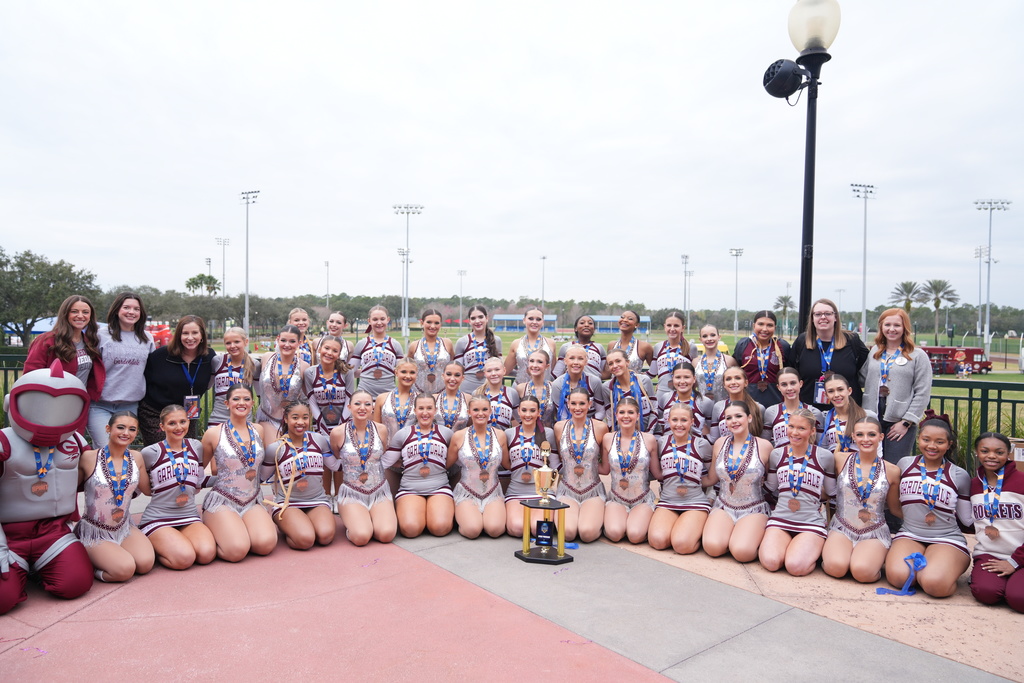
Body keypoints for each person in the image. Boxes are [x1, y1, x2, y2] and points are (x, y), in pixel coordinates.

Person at [0, 362, 94, 614]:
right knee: (2, 600)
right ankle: (23, 569)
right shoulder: (3, 442)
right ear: (11, 403)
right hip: (10, 535)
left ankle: (35, 568)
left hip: (54, 531)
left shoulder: (76, 440)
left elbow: (99, 475)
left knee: (76, 584)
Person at [884, 412, 972, 598]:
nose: (932, 446)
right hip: (909, 534)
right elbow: (896, 505)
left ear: (949, 445)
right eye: (926, 439)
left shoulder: (959, 475)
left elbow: (967, 519)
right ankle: (927, 567)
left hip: (947, 538)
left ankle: (939, 567)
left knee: (935, 585)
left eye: (940, 442)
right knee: (899, 577)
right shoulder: (905, 464)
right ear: (918, 439)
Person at [201, 384, 278, 561]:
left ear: (252, 403)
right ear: (227, 403)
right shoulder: (213, 433)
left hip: (252, 500)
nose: (241, 403)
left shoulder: (258, 430)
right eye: (236, 399)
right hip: (223, 500)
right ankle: (216, 529)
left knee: (265, 544)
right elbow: (198, 469)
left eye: (246, 399)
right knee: (236, 551)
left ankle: (237, 530)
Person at [75, 412, 155, 582]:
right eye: (120, 427)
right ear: (108, 429)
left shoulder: (137, 457)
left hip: (124, 527)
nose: (126, 432)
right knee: (124, 570)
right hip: (95, 531)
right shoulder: (89, 458)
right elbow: (69, 490)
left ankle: (110, 557)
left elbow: (148, 490)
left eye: (132, 429)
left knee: (145, 563)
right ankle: (91, 568)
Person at [822, 416, 902, 582]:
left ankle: (873, 558)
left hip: (874, 530)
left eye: (871, 435)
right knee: (836, 568)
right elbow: (827, 489)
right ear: (853, 436)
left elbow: (895, 508)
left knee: (862, 572)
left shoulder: (892, 470)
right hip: (842, 526)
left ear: (881, 437)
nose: (865, 440)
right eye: (860, 434)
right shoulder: (840, 459)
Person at [759, 409, 836, 576]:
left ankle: (812, 551)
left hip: (810, 522)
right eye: (791, 426)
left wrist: (811, 494)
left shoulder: (824, 456)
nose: (794, 432)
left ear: (812, 431)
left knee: (795, 567)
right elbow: (771, 487)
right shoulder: (777, 454)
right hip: (781, 518)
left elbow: (830, 492)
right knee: (771, 562)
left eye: (801, 428)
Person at [139, 405, 217, 570]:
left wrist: (228, 480)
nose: (179, 427)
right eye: (172, 423)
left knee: (206, 554)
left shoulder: (196, 446)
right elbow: (141, 487)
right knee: (184, 559)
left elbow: (199, 480)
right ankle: (156, 544)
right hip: (158, 518)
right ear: (162, 426)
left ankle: (174, 542)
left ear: (188, 422)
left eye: (182, 421)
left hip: (188, 515)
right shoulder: (150, 452)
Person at [701, 401, 774, 562]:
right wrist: (686, 481)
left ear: (749, 418)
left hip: (753, 508)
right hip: (724, 505)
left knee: (742, 553)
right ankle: (731, 535)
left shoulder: (764, 446)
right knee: (712, 547)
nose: (733, 421)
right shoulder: (720, 443)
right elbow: (712, 478)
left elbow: (772, 483)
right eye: (729, 418)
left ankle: (745, 537)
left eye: (738, 416)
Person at [861, 308, 932, 464]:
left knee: (894, 467)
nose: (891, 329)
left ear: (904, 328)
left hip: (899, 421)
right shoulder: (875, 351)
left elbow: (923, 392)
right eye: (887, 325)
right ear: (881, 327)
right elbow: (862, 378)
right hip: (872, 417)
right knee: (870, 465)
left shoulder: (918, 355)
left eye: (897, 325)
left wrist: (907, 422)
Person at [262, 399, 335, 550]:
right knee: (305, 540)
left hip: (317, 500)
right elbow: (261, 478)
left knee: (325, 536)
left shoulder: (319, 441)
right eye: (295, 417)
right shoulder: (276, 448)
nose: (300, 422)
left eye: (305, 417)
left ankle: (302, 523)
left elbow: (335, 465)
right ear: (286, 419)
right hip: (288, 504)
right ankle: (289, 526)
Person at [326, 390, 397, 546]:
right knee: (361, 537)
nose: (362, 408)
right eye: (357, 404)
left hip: (379, 490)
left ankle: (372, 518)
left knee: (386, 535)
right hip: (352, 492)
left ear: (372, 407)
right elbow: (337, 457)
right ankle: (357, 522)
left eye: (367, 404)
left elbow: (382, 454)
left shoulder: (381, 430)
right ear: (349, 407)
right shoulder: (337, 432)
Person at [88, 292, 154, 448]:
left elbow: (151, 371)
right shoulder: (100, 335)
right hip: (100, 404)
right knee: (106, 449)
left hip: (129, 405)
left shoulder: (147, 338)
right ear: (117, 310)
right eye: (126, 307)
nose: (131, 312)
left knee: (122, 451)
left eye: (136, 309)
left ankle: (120, 475)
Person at [384, 395, 456, 537]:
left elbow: (461, 461)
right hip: (410, 488)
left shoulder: (446, 433)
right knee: (410, 530)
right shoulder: (402, 434)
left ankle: (432, 514)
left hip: (439, 487)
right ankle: (419, 514)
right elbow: (386, 461)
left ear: (435, 410)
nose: (425, 412)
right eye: (421, 408)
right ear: (415, 410)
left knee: (440, 528)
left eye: (429, 408)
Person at [140, 316, 217, 445]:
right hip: (156, 414)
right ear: (178, 335)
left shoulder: (209, 356)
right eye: (185, 333)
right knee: (162, 456)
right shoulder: (160, 356)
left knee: (186, 456)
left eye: (195, 333)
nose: (190, 337)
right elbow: (143, 380)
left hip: (187, 415)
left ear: (202, 335)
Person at [969, 432, 1024, 613]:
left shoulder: (1021, 481)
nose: (991, 456)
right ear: (977, 452)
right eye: (985, 451)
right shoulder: (974, 485)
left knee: (1019, 599)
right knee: (986, 593)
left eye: (999, 452)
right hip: (990, 554)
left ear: (1008, 454)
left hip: (1021, 556)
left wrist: (1015, 562)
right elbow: (968, 521)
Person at [648, 404, 713, 555]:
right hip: (668, 501)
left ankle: (696, 531)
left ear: (691, 422)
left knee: (682, 546)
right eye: (674, 420)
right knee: (658, 541)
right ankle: (682, 528)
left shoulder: (702, 444)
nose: (679, 424)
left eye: (684, 420)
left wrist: (709, 495)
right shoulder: (662, 442)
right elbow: (658, 474)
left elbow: (712, 477)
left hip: (695, 502)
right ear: (668, 421)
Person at [787, 298, 869, 412]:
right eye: (818, 314)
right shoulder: (802, 341)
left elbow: (866, 367)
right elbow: (792, 372)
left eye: (827, 313)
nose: (823, 317)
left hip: (847, 411)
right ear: (812, 318)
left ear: (835, 317)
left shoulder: (852, 340)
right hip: (810, 412)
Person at [23, 294, 104, 404]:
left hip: (80, 404)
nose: (80, 316)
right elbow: (31, 376)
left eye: (85, 312)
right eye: (74, 311)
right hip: (50, 403)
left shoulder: (90, 342)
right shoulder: (46, 340)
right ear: (65, 314)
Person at [553, 387, 609, 542]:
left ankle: (596, 518)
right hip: (567, 490)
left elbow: (605, 466)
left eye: (582, 403)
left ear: (589, 404)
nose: (578, 408)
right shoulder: (559, 427)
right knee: (568, 534)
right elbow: (560, 458)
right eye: (574, 403)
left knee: (587, 534)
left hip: (592, 490)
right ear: (568, 404)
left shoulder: (600, 428)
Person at [601, 397, 658, 544]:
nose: (626, 416)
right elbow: (605, 469)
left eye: (631, 412)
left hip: (642, 499)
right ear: (616, 415)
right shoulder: (608, 438)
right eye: (622, 412)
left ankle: (637, 521)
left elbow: (657, 473)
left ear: (638, 415)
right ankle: (620, 520)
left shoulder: (649, 439)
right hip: (617, 498)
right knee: (614, 533)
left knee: (635, 535)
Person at [451, 396, 509, 539]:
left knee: (495, 530)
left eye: (484, 409)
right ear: (469, 412)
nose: (480, 413)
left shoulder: (500, 435)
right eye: (476, 410)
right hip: (467, 492)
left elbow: (508, 464)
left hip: (493, 492)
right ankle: (467, 517)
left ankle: (486, 517)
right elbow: (445, 464)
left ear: (490, 411)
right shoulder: (459, 436)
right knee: (472, 531)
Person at [305, 334, 353, 506]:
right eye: (326, 348)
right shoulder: (310, 372)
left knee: (340, 458)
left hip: (343, 424)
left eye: (335, 350)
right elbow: (312, 401)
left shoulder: (346, 371)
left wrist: (341, 427)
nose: (329, 353)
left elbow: (349, 399)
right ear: (319, 349)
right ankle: (325, 495)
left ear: (340, 353)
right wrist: (323, 428)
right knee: (325, 458)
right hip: (321, 425)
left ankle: (340, 496)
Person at [504, 396, 558, 536]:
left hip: (542, 491)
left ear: (539, 412)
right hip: (516, 491)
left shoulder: (548, 434)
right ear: (518, 412)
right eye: (524, 410)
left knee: (537, 528)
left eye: (532, 410)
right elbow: (506, 463)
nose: (528, 415)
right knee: (517, 529)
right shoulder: (509, 434)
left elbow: (554, 465)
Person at [257, 325, 310, 438]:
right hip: (267, 417)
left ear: (299, 343)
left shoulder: (304, 366)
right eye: (283, 340)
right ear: (278, 339)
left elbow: (308, 397)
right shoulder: (266, 358)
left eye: (292, 341)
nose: (287, 345)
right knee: (274, 451)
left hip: (293, 422)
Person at [733, 310, 790, 408]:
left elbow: (790, 372)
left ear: (775, 328)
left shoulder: (782, 346)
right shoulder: (743, 345)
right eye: (761, 324)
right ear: (754, 325)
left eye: (769, 325)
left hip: (776, 402)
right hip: (749, 402)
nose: (765, 329)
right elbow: (736, 372)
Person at [208, 326, 259, 427]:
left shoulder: (254, 364)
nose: (232, 346)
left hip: (243, 420)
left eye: (237, 342)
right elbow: (206, 386)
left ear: (246, 342)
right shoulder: (217, 361)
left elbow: (260, 393)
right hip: (218, 419)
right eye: (228, 343)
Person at [762, 367, 824, 448]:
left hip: (807, 459)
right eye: (784, 384)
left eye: (793, 383)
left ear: (800, 383)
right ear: (778, 387)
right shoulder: (771, 412)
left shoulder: (814, 412)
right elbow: (765, 444)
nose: (789, 388)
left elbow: (821, 446)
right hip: (780, 459)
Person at [352, 305, 405, 399]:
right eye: (375, 319)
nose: (379, 322)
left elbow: (403, 372)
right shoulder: (362, 344)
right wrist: (365, 371)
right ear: (369, 321)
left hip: (388, 396)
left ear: (388, 320)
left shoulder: (395, 344)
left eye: (382, 319)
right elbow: (350, 371)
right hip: (364, 396)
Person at [818, 373, 872, 455]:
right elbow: (823, 451)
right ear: (826, 395)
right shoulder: (825, 418)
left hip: (860, 466)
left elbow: (876, 449)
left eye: (840, 389)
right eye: (831, 391)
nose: (836, 395)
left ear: (849, 391)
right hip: (835, 466)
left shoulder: (867, 415)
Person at [656, 362, 714, 438]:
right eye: (678, 377)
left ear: (694, 379)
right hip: (669, 447)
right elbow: (660, 424)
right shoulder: (665, 398)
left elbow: (711, 431)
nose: (682, 381)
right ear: (672, 379)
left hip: (694, 448)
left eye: (686, 377)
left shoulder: (705, 402)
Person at [453, 305, 502, 395]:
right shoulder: (462, 341)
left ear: (487, 318)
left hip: (490, 387)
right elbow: (457, 370)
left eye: (480, 317)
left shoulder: (496, 340)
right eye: (473, 318)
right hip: (467, 388)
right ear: (469, 321)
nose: (477, 321)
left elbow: (500, 367)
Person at [604, 348, 655, 433]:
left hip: (648, 434)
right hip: (621, 436)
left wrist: (649, 433)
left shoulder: (644, 381)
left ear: (627, 362)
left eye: (618, 361)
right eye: (611, 364)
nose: (615, 365)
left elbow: (654, 408)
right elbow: (610, 418)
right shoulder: (607, 388)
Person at [551, 344, 607, 422]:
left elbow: (600, 411)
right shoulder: (557, 384)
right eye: (572, 358)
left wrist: (588, 426)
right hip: (568, 424)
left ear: (586, 362)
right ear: (565, 361)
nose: (576, 362)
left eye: (580, 359)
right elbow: (562, 414)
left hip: (592, 422)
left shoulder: (594, 381)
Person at [709, 366, 765, 443]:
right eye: (728, 379)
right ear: (724, 385)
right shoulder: (718, 407)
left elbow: (763, 440)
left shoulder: (758, 408)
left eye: (738, 378)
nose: (733, 382)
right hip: (725, 452)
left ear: (746, 382)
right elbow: (714, 439)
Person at [407, 308, 453, 396]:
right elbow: (407, 369)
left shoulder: (447, 343)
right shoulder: (414, 345)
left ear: (441, 324)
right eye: (429, 322)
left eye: (436, 323)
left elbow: (453, 367)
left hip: (443, 394)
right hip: (418, 394)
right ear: (422, 323)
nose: (432, 326)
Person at [505, 307, 556, 384]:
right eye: (531, 318)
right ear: (524, 320)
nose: (534, 322)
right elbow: (505, 370)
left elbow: (552, 369)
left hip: (544, 391)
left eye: (538, 319)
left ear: (543, 322)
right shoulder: (516, 344)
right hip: (521, 390)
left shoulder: (550, 343)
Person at [692, 324, 736, 404]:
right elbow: (692, 387)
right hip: (702, 407)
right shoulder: (695, 362)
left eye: (713, 335)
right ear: (700, 339)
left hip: (724, 407)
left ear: (719, 337)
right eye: (705, 336)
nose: (709, 339)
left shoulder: (729, 361)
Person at [604, 310, 653, 378]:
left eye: (630, 318)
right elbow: (608, 372)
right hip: (615, 387)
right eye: (622, 317)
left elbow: (654, 370)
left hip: (635, 387)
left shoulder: (644, 346)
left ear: (637, 325)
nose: (624, 320)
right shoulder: (611, 345)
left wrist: (641, 378)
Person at [475, 357, 520, 431]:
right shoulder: (478, 393)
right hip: (482, 438)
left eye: (497, 370)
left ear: (504, 371)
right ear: (485, 373)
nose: (493, 374)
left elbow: (517, 420)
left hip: (504, 438)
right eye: (489, 371)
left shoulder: (511, 393)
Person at [651, 311, 690, 397]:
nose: (672, 329)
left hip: (682, 394)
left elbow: (694, 376)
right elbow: (652, 373)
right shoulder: (658, 347)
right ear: (664, 327)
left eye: (676, 325)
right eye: (669, 325)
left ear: (683, 328)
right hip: (661, 394)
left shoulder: (691, 348)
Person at [515, 349, 557, 426]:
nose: (535, 365)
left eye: (539, 362)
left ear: (547, 366)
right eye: (532, 361)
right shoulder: (521, 388)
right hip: (527, 434)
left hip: (549, 434)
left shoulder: (554, 387)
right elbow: (515, 417)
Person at [434, 361, 471, 431]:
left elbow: (471, 425)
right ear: (443, 376)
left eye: (457, 375)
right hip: (437, 440)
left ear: (462, 378)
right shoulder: (434, 398)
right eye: (449, 374)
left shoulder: (468, 399)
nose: (452, 379)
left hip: (460, 440)